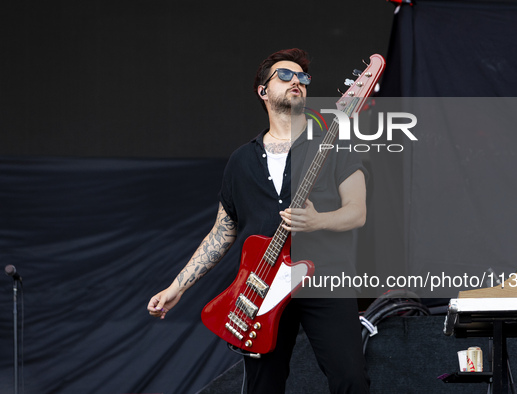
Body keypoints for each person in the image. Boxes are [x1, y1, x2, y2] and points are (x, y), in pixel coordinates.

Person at [147, 48, 370, 393]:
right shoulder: (241, 161)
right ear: (263, 91)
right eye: (285, 75)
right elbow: (222, 233)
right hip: (262, 289)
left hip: (326, 280)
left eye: (303, 77)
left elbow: (357, 212)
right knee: (262, 385)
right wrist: (177, 287)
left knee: (351, 379)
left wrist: (317, 221)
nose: (297, 81)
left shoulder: (334, 142)